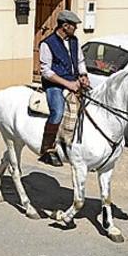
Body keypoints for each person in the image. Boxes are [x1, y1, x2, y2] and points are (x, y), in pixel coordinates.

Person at [38, 10, 90, 167]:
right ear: (65, 26)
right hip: (54, 85)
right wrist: (67, 84)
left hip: (74, 81)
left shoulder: (74, 41)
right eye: (74, 25)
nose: (76, 28)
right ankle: (47, 149)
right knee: (58, 112)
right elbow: (46, 72)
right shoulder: (47, 43)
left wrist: (83, 75)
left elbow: (80, 61)